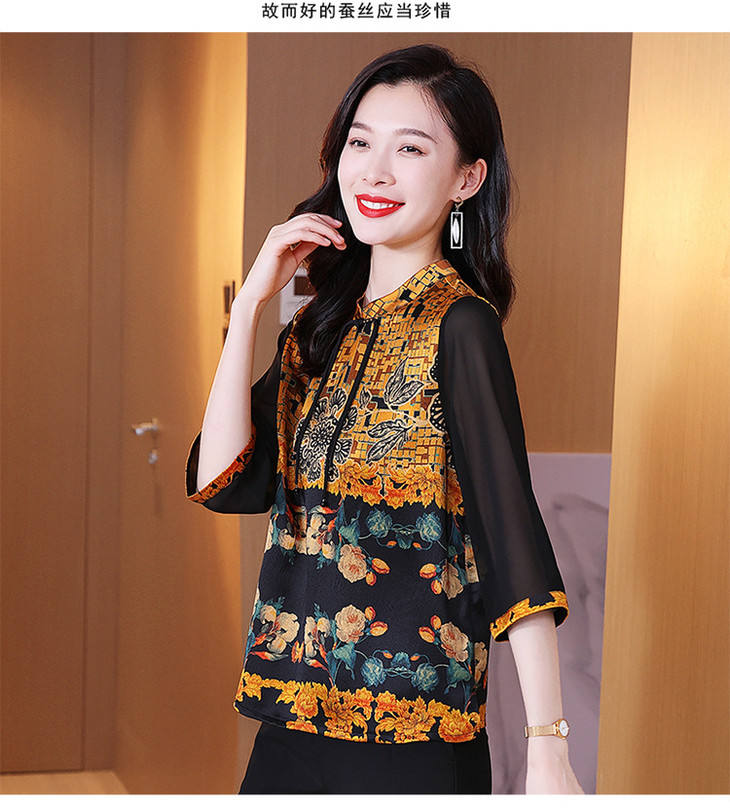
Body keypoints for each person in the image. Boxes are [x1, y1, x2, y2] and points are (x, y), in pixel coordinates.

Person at [185, 43, 583, 795]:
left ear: (467, 179)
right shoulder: (320, 328)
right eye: (360, 142)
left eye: (411, 148)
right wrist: (251, 309)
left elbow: (512, 543)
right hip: (291, 718)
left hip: (412, 739)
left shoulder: (461, 326)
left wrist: (548, 748)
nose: (374, 171)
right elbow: (223, 479)